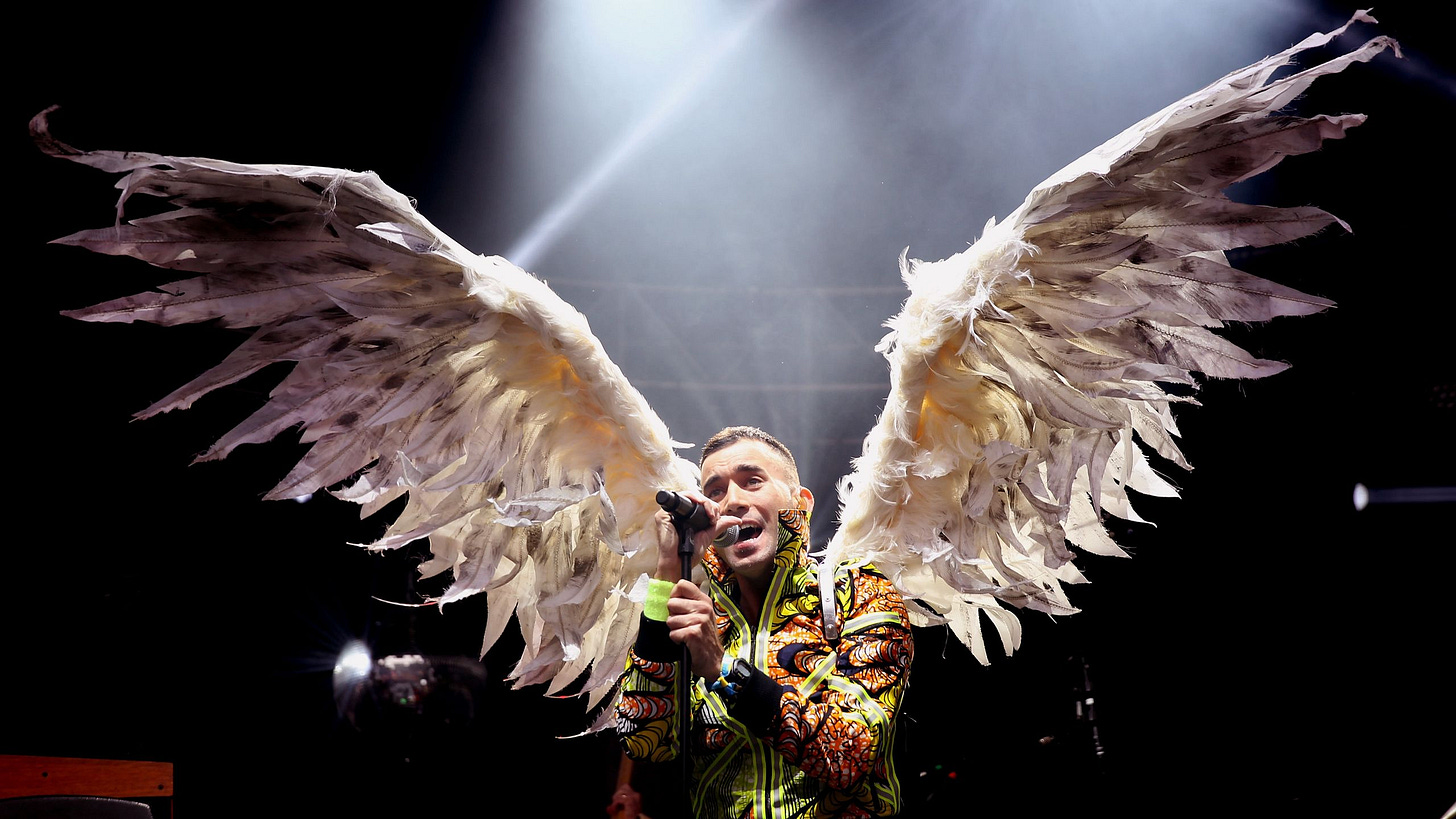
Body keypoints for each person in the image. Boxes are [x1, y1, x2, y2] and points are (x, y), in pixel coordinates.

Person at [616, 426, 914, 818]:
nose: (733, 501)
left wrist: (722, 670)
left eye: (752, 481)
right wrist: (668, 571)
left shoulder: (859, 590)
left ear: (801, 503)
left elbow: (851, 756)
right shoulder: (702, 617)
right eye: (716, 490)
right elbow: (642, 741)